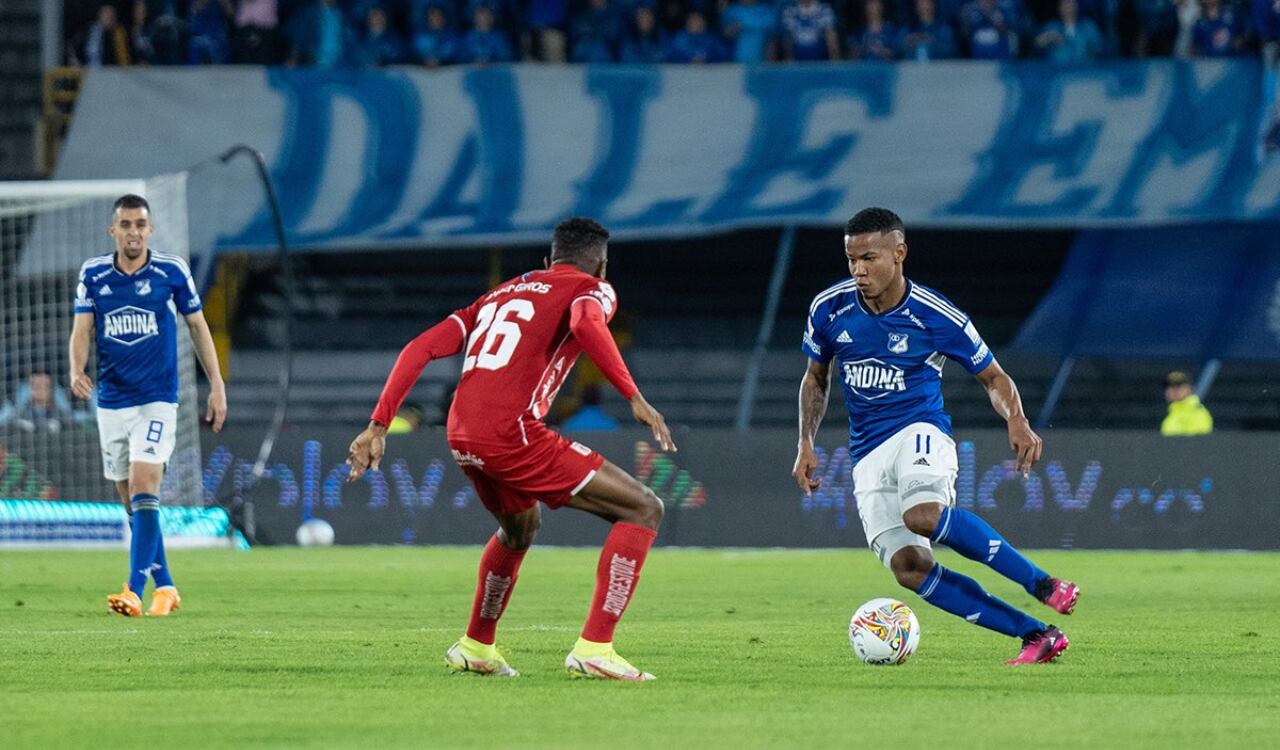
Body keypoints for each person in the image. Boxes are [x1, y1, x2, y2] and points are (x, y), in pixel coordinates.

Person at [347, 217, 675, 681]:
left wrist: (378, 424)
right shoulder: (594, 288)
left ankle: (477, 645)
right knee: (644, 508)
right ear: (602, 264)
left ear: (547, 261)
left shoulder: (496, 295)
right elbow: (584, 321)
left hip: (461, 433)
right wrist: (633, 396)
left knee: (520, 527)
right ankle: (596, 648)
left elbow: (419, 347)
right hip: (511, 433)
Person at [792, 207, 1078, 666]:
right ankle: (1036, 636)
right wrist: (806, 442)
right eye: (851, 260)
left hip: (919, 431)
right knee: (909, 569)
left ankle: (1042, 584)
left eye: (869, 258)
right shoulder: (829, 308)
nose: (859, 270)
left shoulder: (934, 315)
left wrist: (1017, 418)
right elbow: (816, 378)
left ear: (899, 253)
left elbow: (995, 378)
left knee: (923, 513)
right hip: (866, 452)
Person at [69, 194, 227, 618]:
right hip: (112, 402)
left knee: (144, 486)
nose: (134, 232)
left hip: (157, 400)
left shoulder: (171, 271)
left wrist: (216, 383)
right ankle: (168, 587)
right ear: (113, 230)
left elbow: (197, 325)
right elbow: (82, 328)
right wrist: (75, 370)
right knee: (132, 503)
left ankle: (134, 590)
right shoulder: (94, 273)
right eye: (126, 224)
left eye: (141, 224)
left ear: (150, 230)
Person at [1161, 370, 1212, 436]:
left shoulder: (1197, 412)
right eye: (1170, 386)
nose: (1174, 390)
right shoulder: (1171, 414)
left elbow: (1199, 442)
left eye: (1179, 386)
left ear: (1190, 389)